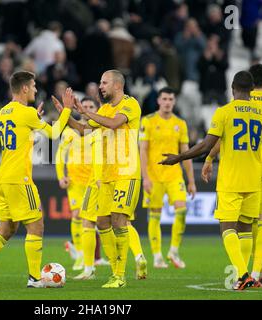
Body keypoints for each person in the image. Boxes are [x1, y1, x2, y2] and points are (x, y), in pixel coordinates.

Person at [160, 71, 262, 290]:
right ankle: (248, 277)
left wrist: (177, 158)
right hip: (253, 181)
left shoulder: (224, 112)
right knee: (245, 229)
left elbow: (206, 146)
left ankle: (243, 275)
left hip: (230, 181)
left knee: (227, 228)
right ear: (252, 90)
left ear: (232, 88)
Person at [0, 71, 73, 288]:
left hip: (3, 178)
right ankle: (35, 278)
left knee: (6, 229)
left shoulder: (2, 113)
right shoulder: (26, 113)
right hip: (19, 179)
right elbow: (53, 134)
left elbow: (20, 140)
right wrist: (67, 109)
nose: (35, 89)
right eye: (33, 86)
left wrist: (34, 123)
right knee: (36, 226)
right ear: (24, 88)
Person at [201, 64, 262, 287]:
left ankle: (244, 274)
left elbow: (221, 137)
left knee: (243, 225)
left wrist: (208, 159)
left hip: (246, 167)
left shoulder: (240, 104)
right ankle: (257, 271)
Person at [65, 70, 144, 288]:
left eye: (104, 82)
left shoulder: (131, 104)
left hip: (126, 173)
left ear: (117, 85)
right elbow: (83, 130)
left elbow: (113, 124)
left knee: (119, 219)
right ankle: (114, 271)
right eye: (100, 82)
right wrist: (67, 114)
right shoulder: (105, 109)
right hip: (107, 175)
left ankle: (120, 275)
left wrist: (86, 111)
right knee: (101, 222)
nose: (100, 86)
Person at [139, 87, 196, 269]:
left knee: (182, 210)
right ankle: (157, 256)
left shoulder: (180, 123)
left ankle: (173, 251)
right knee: (154, 215)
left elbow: (185, 153)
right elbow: (143, 150)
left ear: (174, 101)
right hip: (154, 176)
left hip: (174, 175)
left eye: (171, 99)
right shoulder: (147, 121)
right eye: (164, 99)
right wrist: (145, 178)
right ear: (158, 101)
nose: (167, 102)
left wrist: (192, 181)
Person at [55, 96, 99, 272]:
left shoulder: (99, 130)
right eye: (85, 105)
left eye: (91, 106)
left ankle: (96, 257)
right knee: (77, 215)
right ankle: (80, 254)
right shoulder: (69, 132)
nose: (87, 108)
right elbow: (60, 155)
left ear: (96, 110)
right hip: (75, 181)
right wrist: (61, 176)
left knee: (97, 220)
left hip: (94, 181)